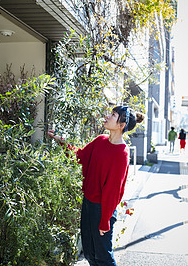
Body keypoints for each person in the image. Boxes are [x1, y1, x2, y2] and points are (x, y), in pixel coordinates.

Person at [48, 106, 144, 266]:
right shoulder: (100, 140)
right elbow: (79, 156)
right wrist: (59, 140)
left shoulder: (122, 153)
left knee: (103, 257)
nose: (107, 116)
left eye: (113, 115)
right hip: (89, 203)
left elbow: (112, 191)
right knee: (90, 253)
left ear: (121, 125)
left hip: (103, 209)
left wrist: (105, 221)